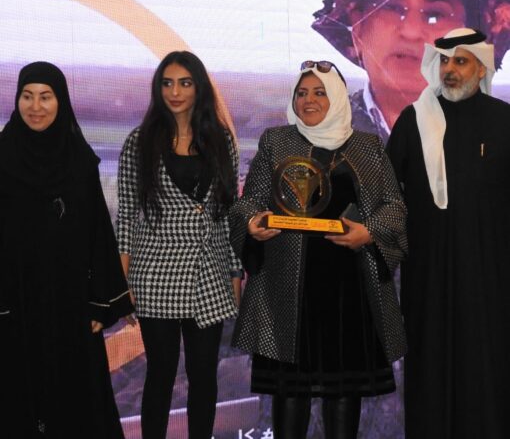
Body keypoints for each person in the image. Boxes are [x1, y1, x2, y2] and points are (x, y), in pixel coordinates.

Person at [230, 60, 407, 439]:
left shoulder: (368, 147)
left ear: (339, 96)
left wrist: (369, 232)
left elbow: (394, 207)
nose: (308, 100)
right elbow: (250, 202)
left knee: (343, 393)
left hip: (350, 293)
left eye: (319, 92)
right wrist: (252, 222)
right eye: (302, 92)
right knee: (289, 392)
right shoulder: (277, 142)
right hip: (287, 290)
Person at [386, 27, 510, 438]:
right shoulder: (413, 120)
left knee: (486, 367)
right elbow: (385, 193)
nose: (450, 69)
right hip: (429, 276)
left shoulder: (504, 120)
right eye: (444, 61)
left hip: (490, 278)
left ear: (481, 67)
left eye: (460, 61)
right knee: (431, 365)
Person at [0, 61, 134, 439]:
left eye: (45, 97)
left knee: (76, 407)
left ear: (61, 101)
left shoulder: (79, 162)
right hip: (12, 306)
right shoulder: (1, 157)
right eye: (27, 96)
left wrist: (101, 303)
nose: (35, 107)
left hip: (70, 307)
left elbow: (98, 235)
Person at [116, 50, 242, 439]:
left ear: (199, 87)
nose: (175, 92)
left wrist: (235, 271)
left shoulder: (220, 140)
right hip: (156, 274)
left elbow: (228, 213)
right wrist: (123, 282)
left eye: (185, 83)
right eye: (167, 83)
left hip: (209, 272)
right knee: (161, 374)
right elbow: (126, 215)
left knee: (204, 375)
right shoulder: (139, 142)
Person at [312, 0, 510, 141]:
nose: (411, 31)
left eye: (435, 15)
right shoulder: (308, 144)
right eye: (392, 8)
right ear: (358, 29)